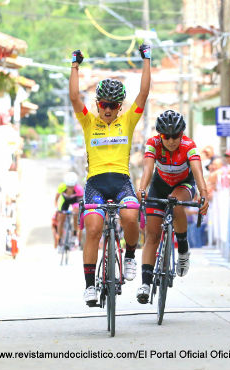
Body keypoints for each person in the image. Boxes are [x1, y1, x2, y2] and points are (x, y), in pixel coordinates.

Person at [69, 44, 151, 305]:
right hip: (95, 183)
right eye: (104, 105)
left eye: (113, 106)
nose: (107, 110)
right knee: (93, 228)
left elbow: (144, 93)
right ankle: (89, 285)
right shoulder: (88, 121)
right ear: (98, 104)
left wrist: (146, 59)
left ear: (119, 107)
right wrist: (74, 66)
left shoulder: (126, 121)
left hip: (121, 182)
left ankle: (128, 256)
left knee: (130, 215)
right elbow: (73, 98)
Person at [135, 111, 209, 303]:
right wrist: (142, 189)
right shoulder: (153, 143)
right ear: (160, 135)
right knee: (152, 235)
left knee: (175, 202)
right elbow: (148, 169)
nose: (170, 141)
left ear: (182, 134)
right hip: (159, 185)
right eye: (166, 136)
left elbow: (197, 170)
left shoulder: (188, 145)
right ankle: (145, 283)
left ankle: (183, 249)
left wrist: (204, 193)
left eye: (175, 136)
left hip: (183, 184)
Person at [54, 172, 84, 249]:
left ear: (75, 185)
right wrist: (57, 208)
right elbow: (56, 198)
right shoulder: (62, 187)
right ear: (65, 184)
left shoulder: (79, 189)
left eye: (72, 186)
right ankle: (60, 239)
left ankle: (74, 233)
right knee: (61, 219)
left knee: (75, 213)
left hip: (75, 201)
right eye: (68, 186)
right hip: (65, 201)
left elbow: (81, 203)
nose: (70, 188)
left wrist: (78, 211)